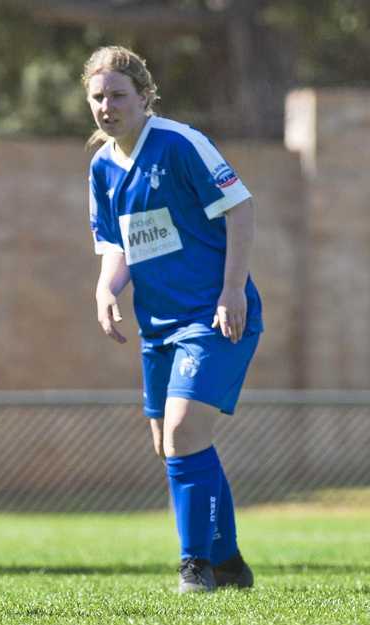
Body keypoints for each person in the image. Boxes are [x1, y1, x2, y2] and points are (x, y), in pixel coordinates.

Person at [84, 46, 258, 593]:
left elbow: (240, 207)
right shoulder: (103, 166)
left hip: (212, 317)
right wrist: (106, 289)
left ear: (144, 96)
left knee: (183, 433)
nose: (107, 106)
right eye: (98, 97)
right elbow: (117, 244)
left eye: (117, 95)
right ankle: (229, 563)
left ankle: (195, 568)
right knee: (170, 442)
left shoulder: (181, 144)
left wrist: (233, 290)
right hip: (158, 327)